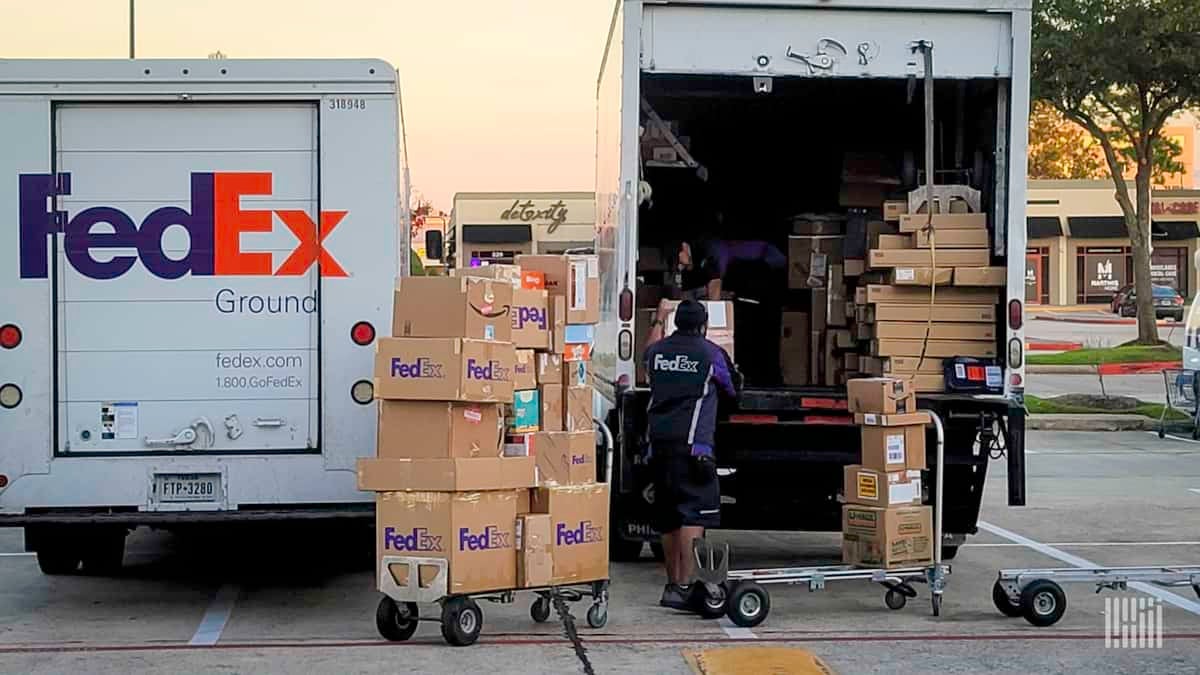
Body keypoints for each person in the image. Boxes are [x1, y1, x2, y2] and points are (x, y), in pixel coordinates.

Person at [643, 300, 738, 611]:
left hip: (658, 446)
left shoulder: (656, 353)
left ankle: (673, 585)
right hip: (694, 448)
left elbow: (645, 361)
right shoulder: (711, 353)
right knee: (693, 515)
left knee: (668, 517)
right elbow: (731, 389)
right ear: (703, 325)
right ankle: (687, 586)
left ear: (675, 323)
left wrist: (657, 320)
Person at [669, 239, 787, 300]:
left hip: (768, 260)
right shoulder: (698, 256)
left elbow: (715, 283)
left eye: (677, 260)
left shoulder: (709, 249)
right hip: (751, 278)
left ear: (684, 247)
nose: (679, 266)